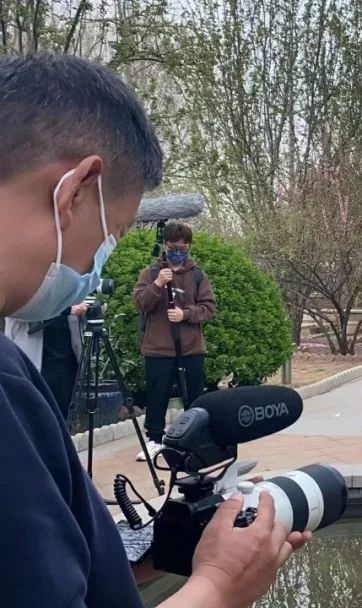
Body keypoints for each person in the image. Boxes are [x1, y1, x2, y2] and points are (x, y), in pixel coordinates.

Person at [0, 52, 308, 608]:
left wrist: (160, 552)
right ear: (74, 191)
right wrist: (220, 585)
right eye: (112, 234)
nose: (96, 261)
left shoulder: (11, 366)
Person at [134, 221, 216, 461]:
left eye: (182, 248)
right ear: (165, 246)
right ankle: (154, 440)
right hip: (158, 349)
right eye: (173, 248)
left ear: (188, 247)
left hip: (191, 349)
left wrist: (186, 314)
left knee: (194, 395)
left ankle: (195, 438)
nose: (177, 252)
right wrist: (158, 284)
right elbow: (140, 302)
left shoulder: (197, 274)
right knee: (156, 395)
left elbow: (209, 307)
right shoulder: (151, 273)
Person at [4, 304, 87, 415]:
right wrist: (66, 310)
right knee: (35, 409)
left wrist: (84, 311)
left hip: (66, 356)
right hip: (37, 357)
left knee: (64, 408)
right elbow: (19, 312)